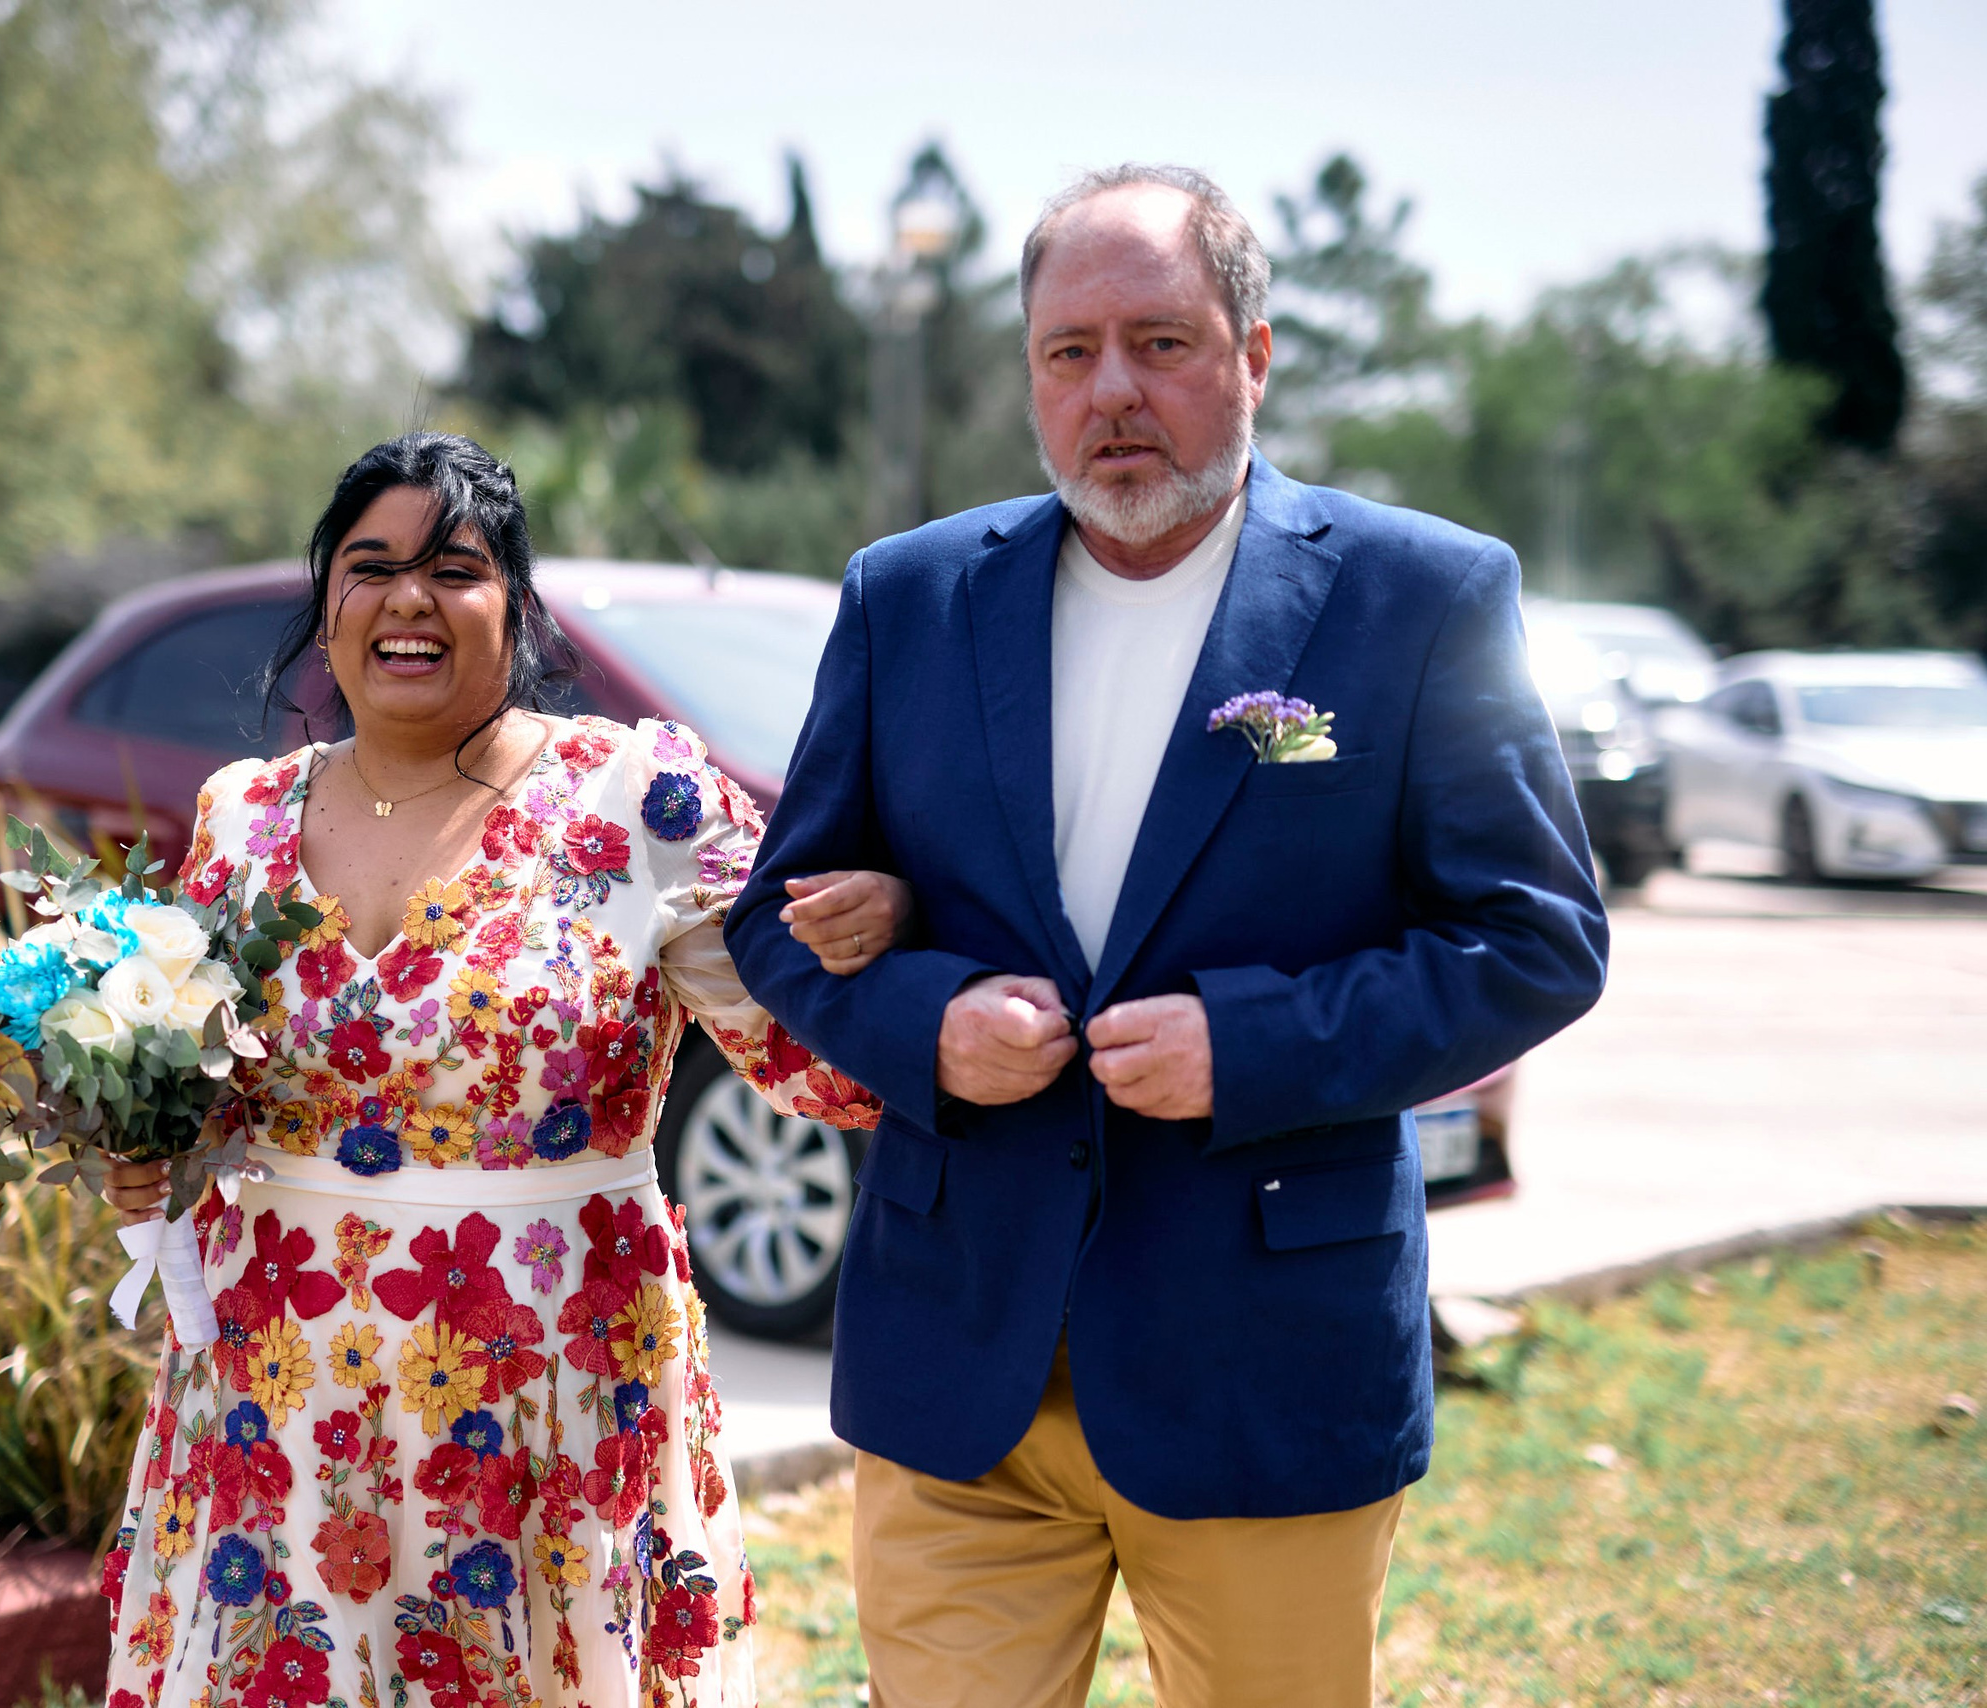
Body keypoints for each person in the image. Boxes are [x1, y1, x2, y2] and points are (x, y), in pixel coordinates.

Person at [725, 164, 1609, 1708]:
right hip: (961, 1361)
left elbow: (1535, 940)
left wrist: (1252, 1046)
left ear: (1254, 356)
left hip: (1264, 1361)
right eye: (1070, 352)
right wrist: (926, 1024)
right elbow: (781, 924)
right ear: (1028, 376)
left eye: (1163, 343)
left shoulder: (1422, 598)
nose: (1112, 391)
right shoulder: (909, 600)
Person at [91, 432, 905, 1708]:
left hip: (544, 1406)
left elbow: (821, 1068)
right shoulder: (239, 815)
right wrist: (141, 1151)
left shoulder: (638, 800)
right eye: (371, 567)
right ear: (327, 606)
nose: (408, 598)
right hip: (277, 1410)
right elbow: (207, 1103)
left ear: (516, 608)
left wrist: (886, 934)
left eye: (453, 568)